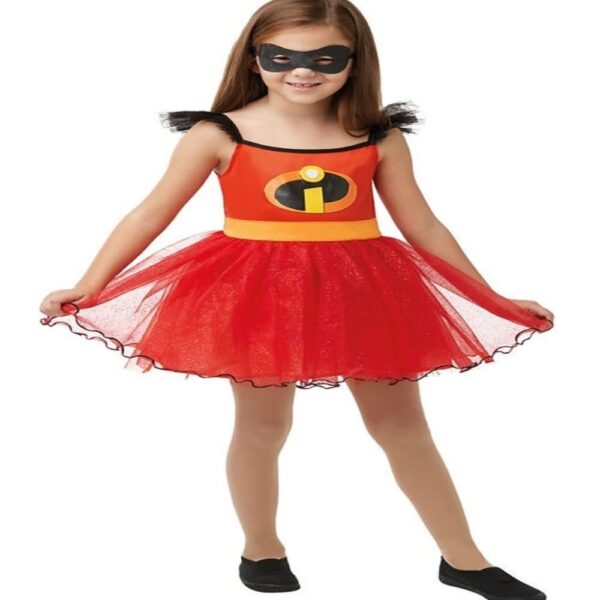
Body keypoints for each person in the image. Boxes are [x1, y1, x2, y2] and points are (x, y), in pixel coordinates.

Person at [38, 0, 554, 597]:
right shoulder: (220, 133)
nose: (302, 71)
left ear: (354, 61)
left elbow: (425, 227)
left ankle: (464, 560)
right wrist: (92, 282)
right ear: (253, 59)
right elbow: (150, 213)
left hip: (363, 292)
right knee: (263, 427)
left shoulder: (377, 137)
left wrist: (488, 297)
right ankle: (261, 548)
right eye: (281, 57)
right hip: (257, 293)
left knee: (402, 427)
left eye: (325, 58)